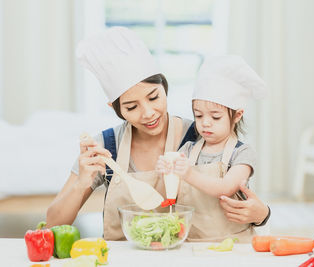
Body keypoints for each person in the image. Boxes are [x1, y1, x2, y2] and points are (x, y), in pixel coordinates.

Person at [46, 27, 270, 241]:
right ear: (115, 108)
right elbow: (52, 224)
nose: (148, 113)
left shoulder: (201, 135)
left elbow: (235, 193)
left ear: (164, 86)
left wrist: (261, 215)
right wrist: (81, 183)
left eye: (154, 97)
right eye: (132, 107)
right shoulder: (105, 147)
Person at [156, 56, 269, 242]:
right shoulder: (189, 149)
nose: (205, 123)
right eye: (198, 116)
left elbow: (225, 188)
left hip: (233, 243)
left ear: (237, 115)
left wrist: (188, 174)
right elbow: (174, 195)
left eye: (215, 117)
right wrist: (167, 173)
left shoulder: (242, 153)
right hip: (191, 241)